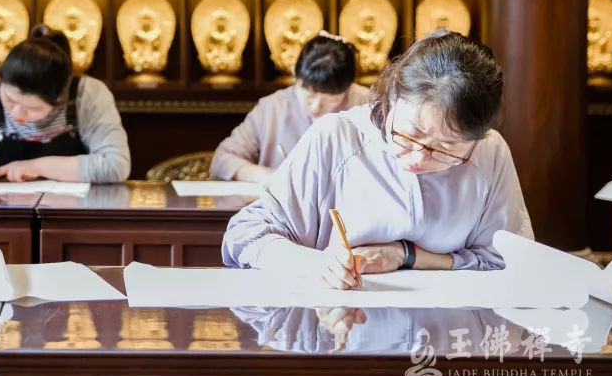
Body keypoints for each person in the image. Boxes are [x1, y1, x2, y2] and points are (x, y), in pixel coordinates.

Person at [222, 30, 533, 289]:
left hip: (453, 335)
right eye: (410, 134)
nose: (418, 158)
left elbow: (508, 261)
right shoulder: (336, 138)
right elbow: (245, 235)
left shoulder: (489, 151)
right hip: (339, 330)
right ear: (392, 96)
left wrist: (407, 255)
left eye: (446, 148)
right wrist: (316, 265)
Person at [0, 25, 131, 184]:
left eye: (33, 109)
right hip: (5, 208)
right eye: (10, 100)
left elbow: (116, 165)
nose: (17, 114)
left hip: (75, 209)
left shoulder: (87, 95)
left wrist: (36, 167)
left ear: (60, 98)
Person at [211, 33, 369, 183]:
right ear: (295, 75)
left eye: (330, 99)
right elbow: (223, 159)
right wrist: (274, 178)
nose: (316, 107)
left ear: (349, 86)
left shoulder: (367, 105)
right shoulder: (271, 108)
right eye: (309, 95)